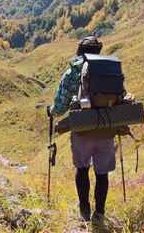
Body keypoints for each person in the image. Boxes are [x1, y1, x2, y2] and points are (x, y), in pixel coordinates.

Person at [50, 36, 116, 223]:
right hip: (106, 128)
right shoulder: (109, 68)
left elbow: (60, 104)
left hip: (82, 128)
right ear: (99, 50)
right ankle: (100, 214)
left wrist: (52, 111)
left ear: (80, 50)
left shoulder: (74, 70)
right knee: (102, 173)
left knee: (82, 168)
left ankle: (84, 210)